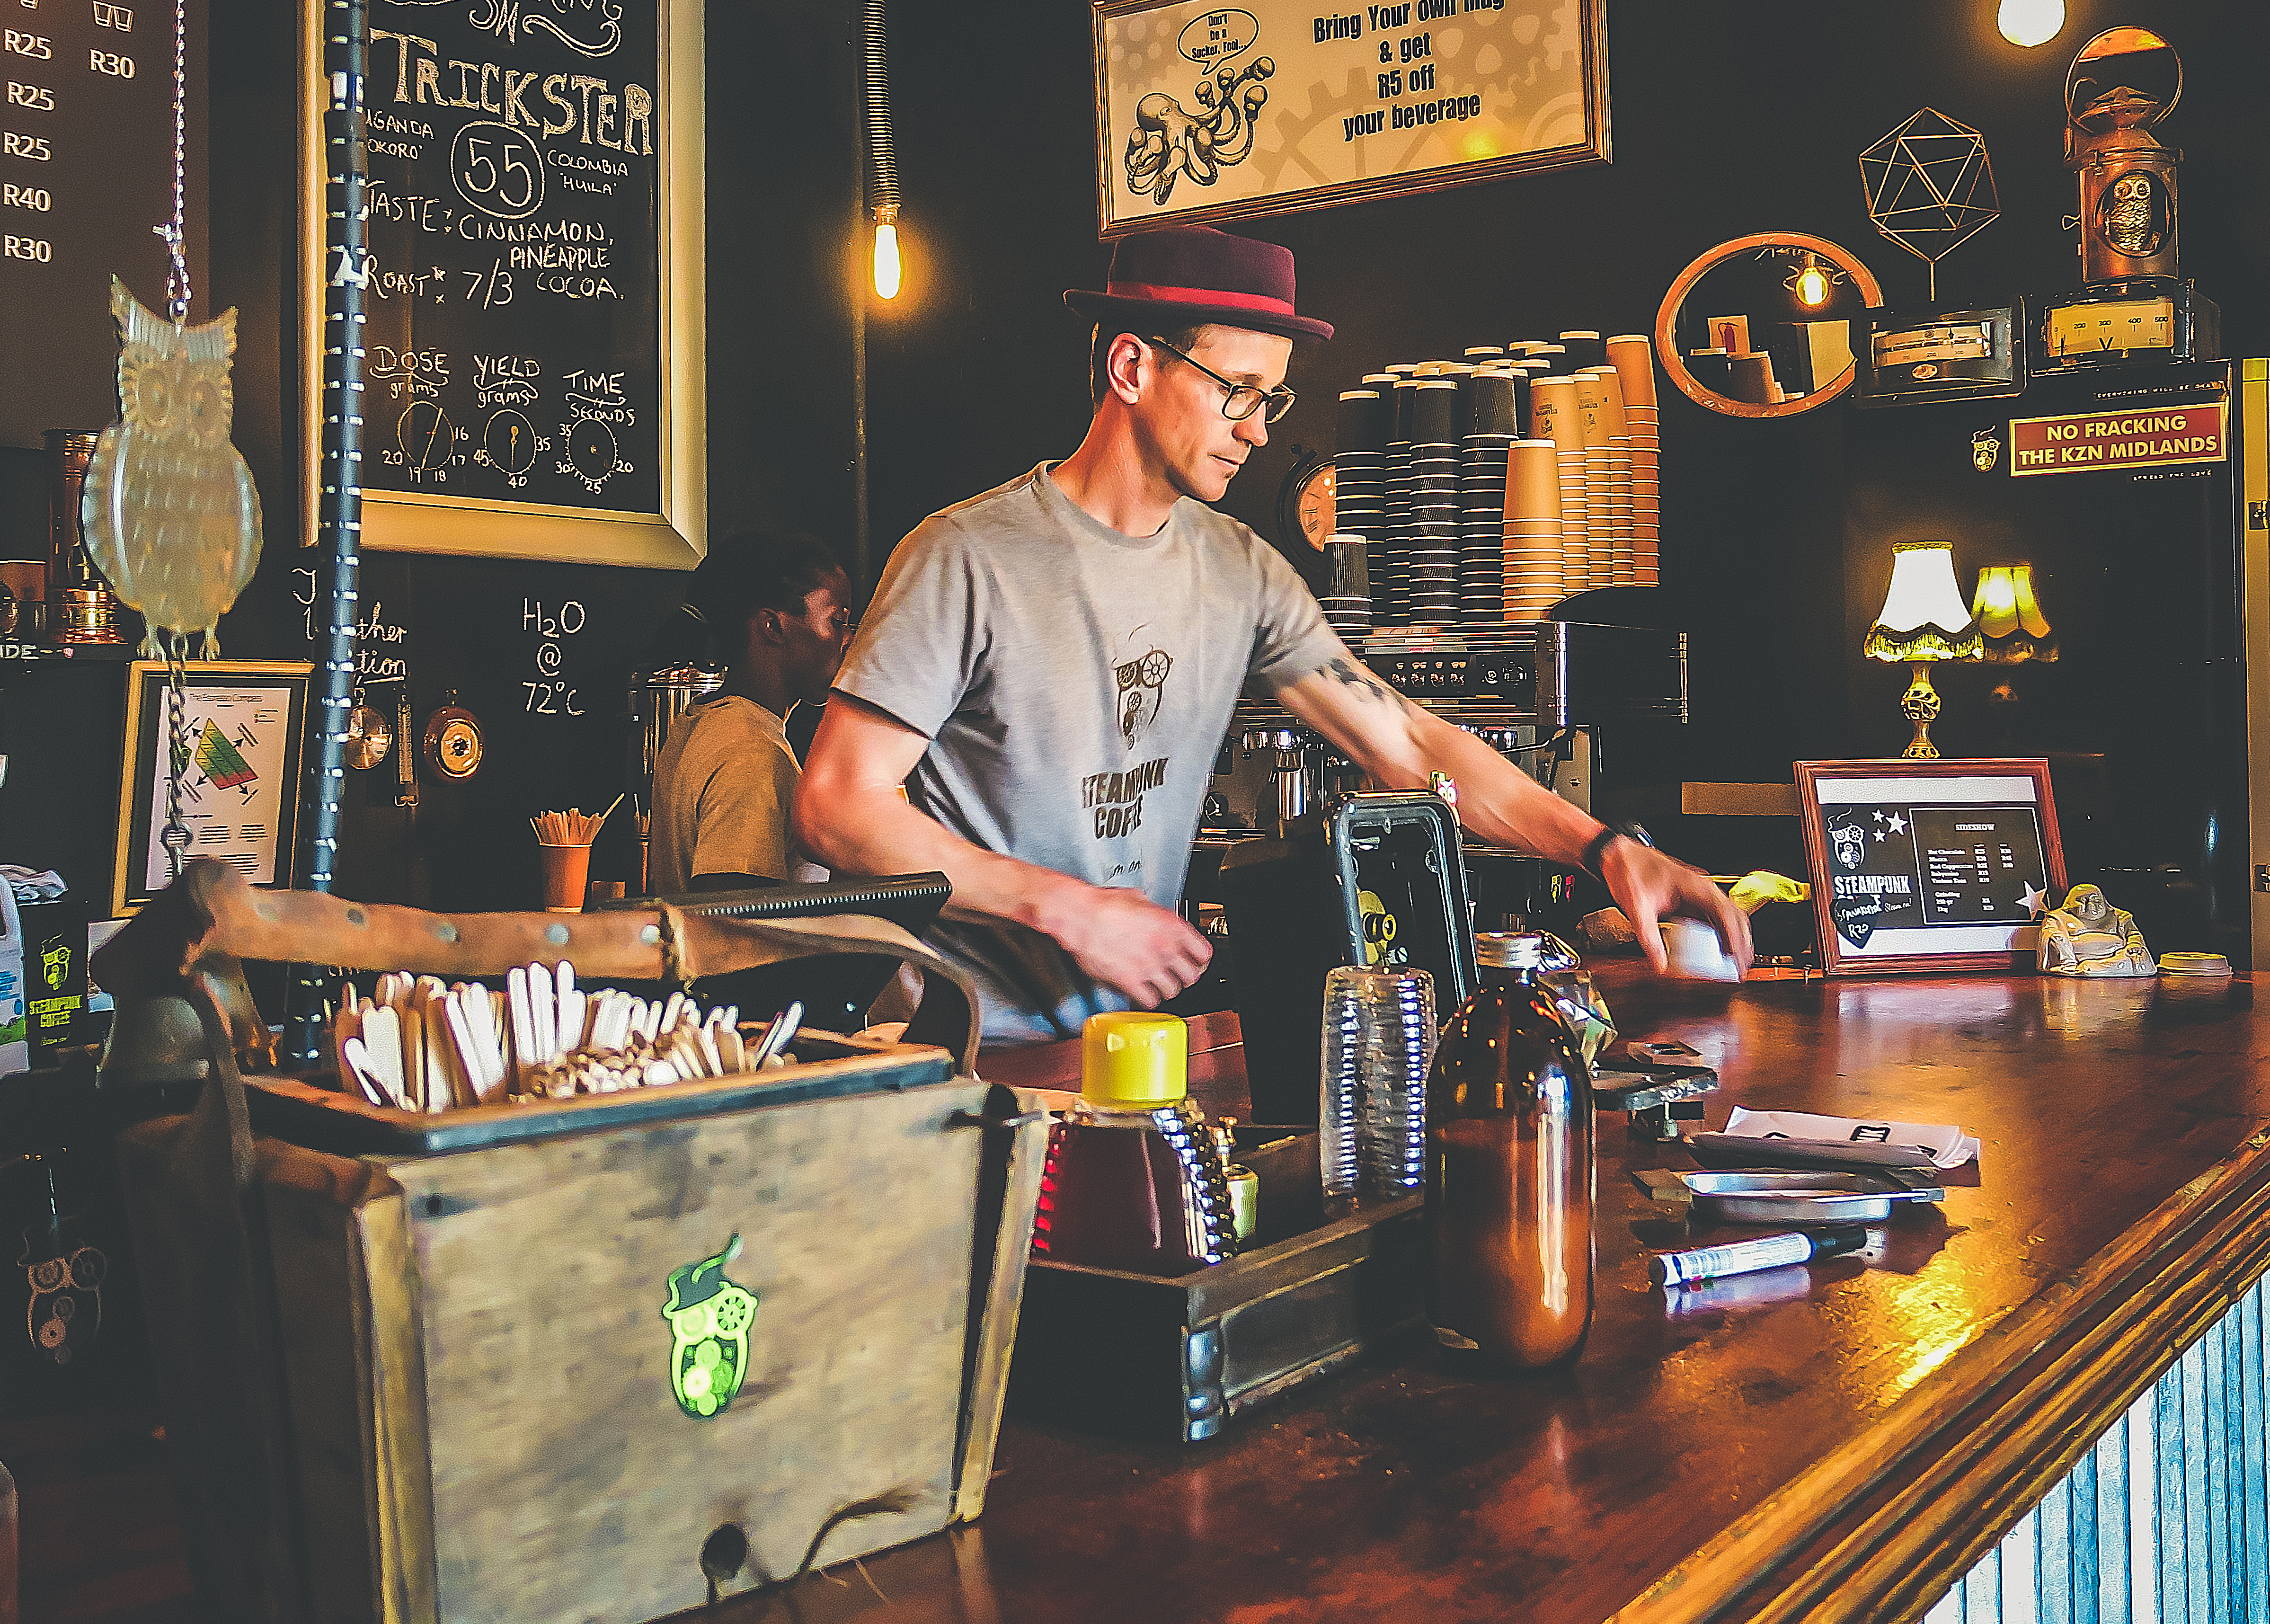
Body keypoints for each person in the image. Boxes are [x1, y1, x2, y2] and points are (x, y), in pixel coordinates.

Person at [796, 223, 1750, 1044]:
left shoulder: (1237, 567)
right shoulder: (967, 554)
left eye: (1273, 398)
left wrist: (1603, 849)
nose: (1258, 431)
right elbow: (838, 805)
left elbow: (1410, 740)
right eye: (1236, 389)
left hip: (1135, 1053)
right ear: (1131, 366)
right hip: (967, 1049)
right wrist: (1068, 906)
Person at [650, 530, 854, 893]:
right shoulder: (752, 753)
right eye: (837, 620)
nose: (848, 638)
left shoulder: (703, 723)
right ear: (773, 626)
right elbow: (743, 931)